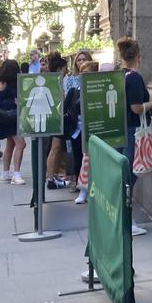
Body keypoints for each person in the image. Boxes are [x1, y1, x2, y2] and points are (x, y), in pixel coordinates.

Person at [117, 37, 152, 237]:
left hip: (122, 129)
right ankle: (126, 220)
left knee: (125, 175)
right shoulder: (134, 77)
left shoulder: (119, 75)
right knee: (130, 176)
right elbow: (135, 107)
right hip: (134, 130)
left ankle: (123, 218)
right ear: (138, 57)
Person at [0, 59, 26, 185]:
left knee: (11, 145)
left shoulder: (5, 82)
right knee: (21, 144)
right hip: (10, 119)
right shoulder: (4, 83)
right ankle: (16, 174)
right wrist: (13, 103)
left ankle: (5, 173)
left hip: (9, 119)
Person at [64, 50, 93, 199]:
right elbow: (66, 106)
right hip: (77, 128)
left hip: (93, 127)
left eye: (84, 60)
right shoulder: (73, 86)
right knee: (77, 156)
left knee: (90, 158)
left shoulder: (97, 86)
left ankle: (87, 186)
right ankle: (79, 183)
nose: (81, 62)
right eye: (79, 60)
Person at [43, 51, 69, 188]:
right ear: (59, 69)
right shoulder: (55, 82)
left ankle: (52, 175)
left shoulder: (51, 80)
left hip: (55, 117)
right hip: (56, 118)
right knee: (55, 147)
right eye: (65, 69)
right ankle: (50, 178)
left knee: (56, 148)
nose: (67, 71)